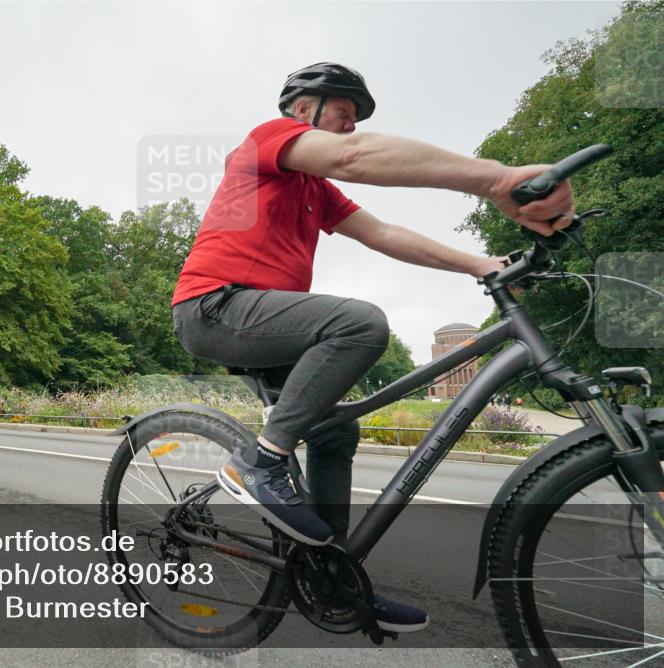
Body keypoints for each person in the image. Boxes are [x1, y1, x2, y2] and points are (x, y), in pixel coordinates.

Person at [170, 62, 574, 632]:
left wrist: (481, 265)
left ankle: (331, 577)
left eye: (355, 119)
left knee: (335, 430)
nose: (351, 126)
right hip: (214, 306)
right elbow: (353, 157)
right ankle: (259, 462)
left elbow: (384, 234)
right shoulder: (267, 139)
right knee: (359, 324)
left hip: (264, 324)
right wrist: (496, 178)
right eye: (344, 112)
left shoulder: (316, 191)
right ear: (303, 109)